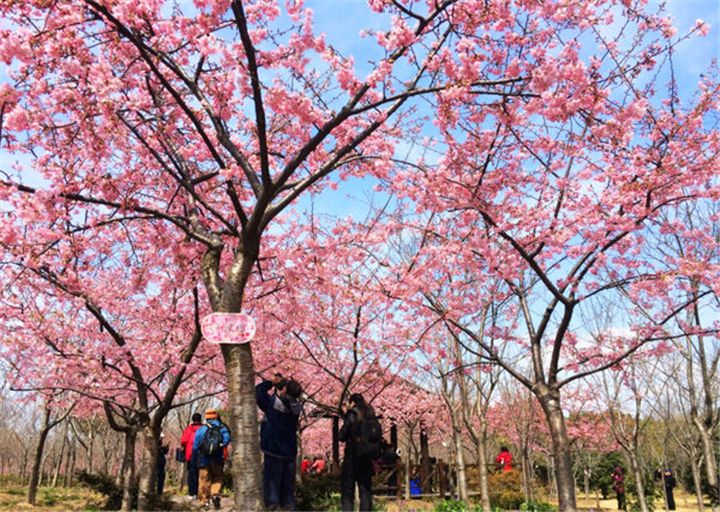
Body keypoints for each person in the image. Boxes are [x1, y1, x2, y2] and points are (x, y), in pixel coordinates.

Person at [256, 373, 303, 510]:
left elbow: (258, 391)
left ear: (284, 390)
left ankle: (273, 507)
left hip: (273, 449)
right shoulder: (296, 407)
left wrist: (271, 382)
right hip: (289, 452)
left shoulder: (273, 404)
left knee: (272, 489)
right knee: (288, 490)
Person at [339, 393, 381, 512]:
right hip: (367, 458)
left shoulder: (352, 414)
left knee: (347, 492)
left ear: (352, 402)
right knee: (366, 491)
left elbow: (342, 436)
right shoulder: (371, 414)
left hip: (352, 458)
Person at [192, 410, 231, 510]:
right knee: (217, 477)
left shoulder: (202, 429)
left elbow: (196, 445)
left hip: (203, 458)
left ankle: (205, 502)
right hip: (217, 457)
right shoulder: (222, 428)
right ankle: (215, 494)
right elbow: (227, 439)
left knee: (204, 479)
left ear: (206, 418)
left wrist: (195, 457)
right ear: (216, 416)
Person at [180, 413, 204, 498]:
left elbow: (183, 441)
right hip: (202, 455)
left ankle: (191, 493)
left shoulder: (189, 429)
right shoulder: (204, 428)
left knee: (191, 474)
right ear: (200, 419)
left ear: (192, 419)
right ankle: (198, 493)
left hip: (190, 454)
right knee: (201, 475)